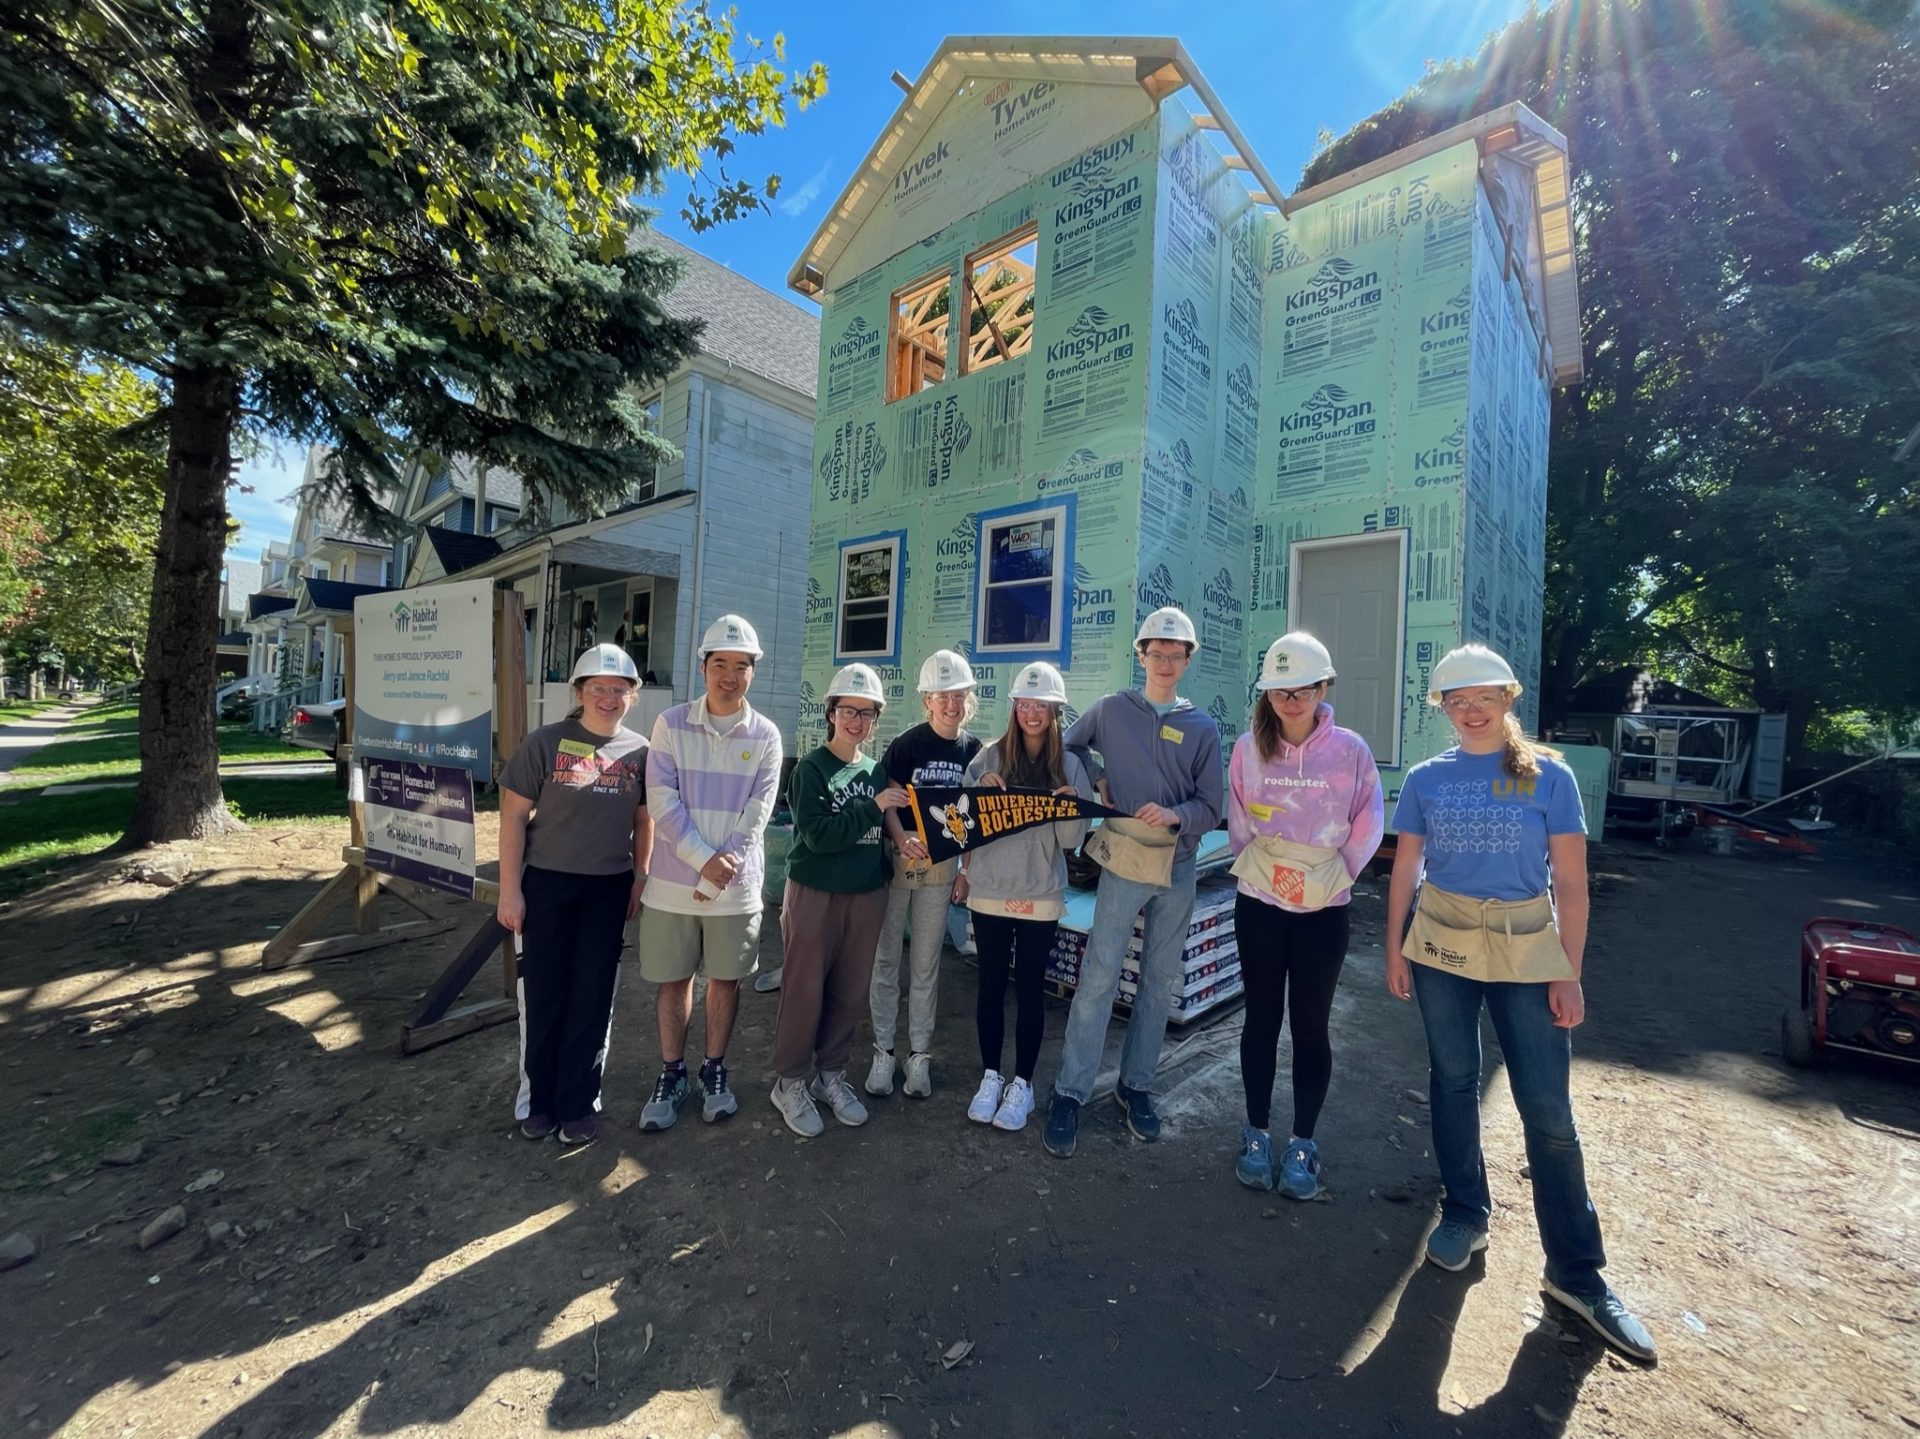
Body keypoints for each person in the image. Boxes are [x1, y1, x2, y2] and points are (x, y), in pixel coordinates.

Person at [1384, 643, 1656, 1364]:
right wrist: (1393, 948)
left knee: (1548, 1108)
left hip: (1528, 948)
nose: (1470, 710)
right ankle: (1465, 1212)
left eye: (1483, 697)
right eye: (1455, 699)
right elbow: (1406, 866)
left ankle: (1577, 1273)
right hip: (1442, 942)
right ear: (1441, 707)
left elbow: (1570, 881)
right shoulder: (1426, 778)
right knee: (1451, 1080)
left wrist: (1569, 970)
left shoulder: (1549, 775)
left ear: (1507, 697)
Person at [1044, 607, 1223, 1158]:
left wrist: (1176, 816)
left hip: (1178, 864)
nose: (1165, 662)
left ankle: (1136, 1086)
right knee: (1099, 975)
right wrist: (1095, 779)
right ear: (1140, 654)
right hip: (1123, 860)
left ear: (1187, 660)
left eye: (1176, 654)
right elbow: (1067, 747)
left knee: (1158, 980)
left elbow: (1212, 806)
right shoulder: (1110, 711)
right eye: (1157, 652)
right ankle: (1071, 1092)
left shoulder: (1202, 727)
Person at [1226, 633, 1384, 1198]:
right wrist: (1267, 870)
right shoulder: (1248, 748)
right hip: (1261, 905)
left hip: (1323, 910)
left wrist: (1335, 874)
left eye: (1303, 689)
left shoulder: (1351, 751)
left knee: (1310, 1025)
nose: (1291, 700)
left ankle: (1303, 1143)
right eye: (1279, 690)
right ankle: (1256, 1133)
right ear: (1266, 694)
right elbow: (1241, 817)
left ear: (1323, 689)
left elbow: (1369, 821)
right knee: (1261, 1020)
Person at [497, 643, 653, 1147]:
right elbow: (513, 818)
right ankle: (540, 1100)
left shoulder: (640, 751)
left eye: (619, 689)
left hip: (608, 888)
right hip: (547, 883)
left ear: (633, 695)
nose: (609, 697)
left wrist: (641, 876)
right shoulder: (546, 742)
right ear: (580, 692)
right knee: (544, 993)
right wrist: (510, 891)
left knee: (592, 995)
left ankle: (578, 1101)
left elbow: (643, 820)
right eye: (598, 688)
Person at [635, 615, 782, 1131]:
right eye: (720, 663)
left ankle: (714, 1070)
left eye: (741, 665)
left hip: (734, 889)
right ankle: (672, 1073)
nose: (730, 675)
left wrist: (722, 871)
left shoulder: (765, 734)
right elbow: (662, 800)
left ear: (752, 672)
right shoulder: (670, 724)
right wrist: (704, 864)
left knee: (725, 982)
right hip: (674, 886)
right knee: (674, 982)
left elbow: (758, 813)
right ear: (703, 667)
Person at [771, 664, 910, 1137]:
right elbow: (819, 836)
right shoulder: (811, 770)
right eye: (849, 710)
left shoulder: (876, 770)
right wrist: (873, 806)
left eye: (867, 713)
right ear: (831, 713)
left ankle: (831, 1074)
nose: (857, 721)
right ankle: (790, 1081)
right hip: (816, 892)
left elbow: (881, 829)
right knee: (804, 990)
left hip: (866, 895)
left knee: (850, 993)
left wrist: (899, 843)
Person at [959, 661, 1093, 1132]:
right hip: (990, 891)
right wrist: (978, 791)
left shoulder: (1070, 764)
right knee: (991, 986)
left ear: (1055, 710)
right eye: (1025, 704)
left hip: (1040, 894)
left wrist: (1070, 802)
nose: (1032, 713)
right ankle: (991, 1076)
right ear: (1014, 706)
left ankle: (1024, 1085)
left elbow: (1071, 840)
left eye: (1042, 705)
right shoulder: (990, 757)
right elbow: (961, 822)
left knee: (1031, 990)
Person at [865, 649, 983, 1100]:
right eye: (942, 696)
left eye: (959, 696)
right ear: (928, 700)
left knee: (927, 963)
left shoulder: (973, 751)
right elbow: (891, 802)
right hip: (899, 865)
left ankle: (918, 1057)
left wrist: (965, 871)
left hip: (942, 868)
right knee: (886, 958)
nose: (951, 704)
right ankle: (882, 1051)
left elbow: (973, 818)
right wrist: (899, 839)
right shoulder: (907, 744)